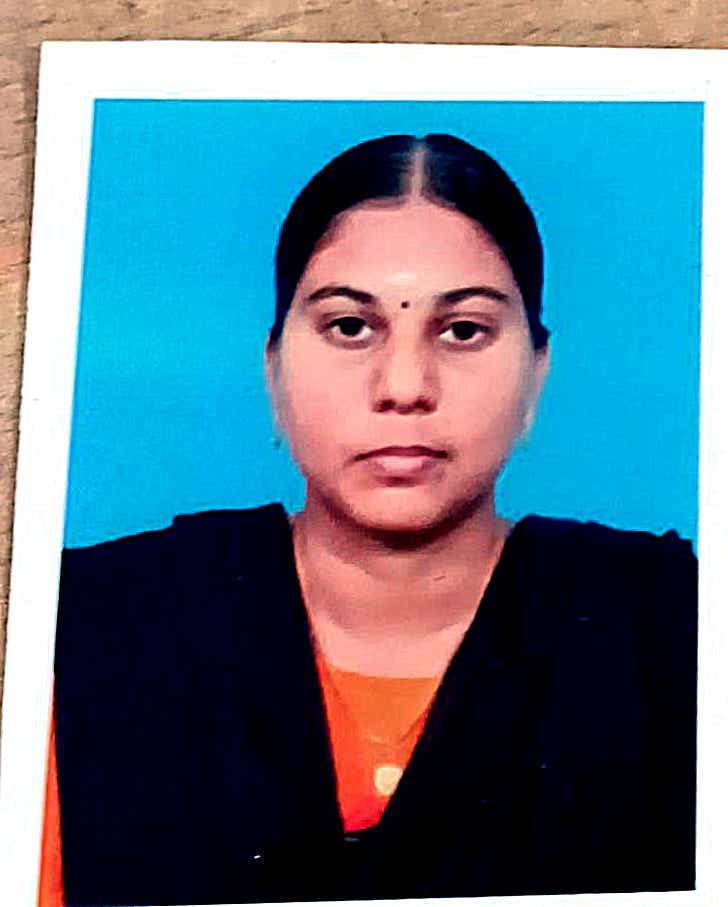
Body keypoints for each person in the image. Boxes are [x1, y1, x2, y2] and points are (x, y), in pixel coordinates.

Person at [44, 134, 697, 905]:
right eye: (351, 327)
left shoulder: (674, 629)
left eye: (463, 331)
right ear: (272, 367)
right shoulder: (86, 627)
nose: (405, 386)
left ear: (537, 374)